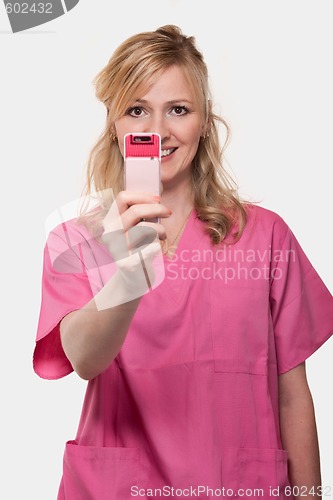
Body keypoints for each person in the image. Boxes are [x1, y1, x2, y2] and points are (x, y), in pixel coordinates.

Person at [33, 25, 333, 500]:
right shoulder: (76, 240)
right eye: (137, 110)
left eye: (178, 109)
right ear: (115, 124)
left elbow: (292, 392)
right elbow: (85, 360)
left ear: (205, 122)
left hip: (239, 487)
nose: (158, 131)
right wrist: (130, 271)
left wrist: (310, 495)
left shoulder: (266, 235)